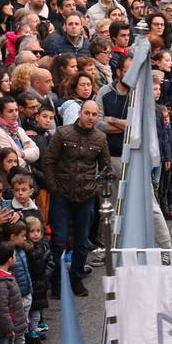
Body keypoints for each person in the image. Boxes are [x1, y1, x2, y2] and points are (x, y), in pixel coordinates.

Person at [43, 99, 111, 297]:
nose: (90, 117)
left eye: (94, 114)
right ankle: (57, 282)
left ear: (97, 116)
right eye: (87, 113)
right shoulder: (62, 133)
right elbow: (48, 161)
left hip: (86, 196)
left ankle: (76, 279)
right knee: (59, 240)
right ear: (80, 113)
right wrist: (54, 187)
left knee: (82, 242)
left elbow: (105, 167)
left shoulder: (100, 138)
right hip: (62, 195)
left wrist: (96, 187)